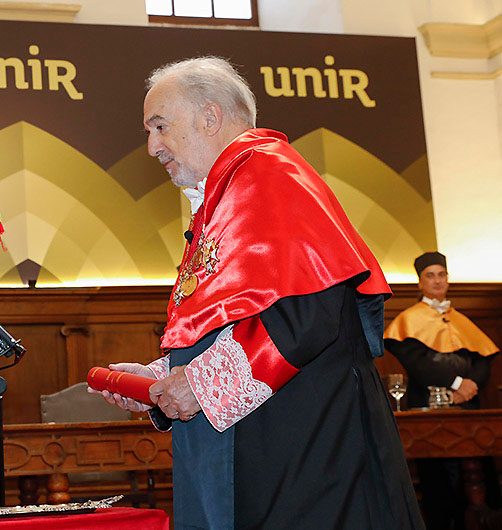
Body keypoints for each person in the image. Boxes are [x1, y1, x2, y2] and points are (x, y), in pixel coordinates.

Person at [93, 57, 423, 529]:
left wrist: (203, 385)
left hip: (307, 445)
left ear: (209, 117)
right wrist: (159, 379)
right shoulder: (226, 193)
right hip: (270, 442)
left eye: (160, 127)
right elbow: (227, 320)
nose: (152, 147)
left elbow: (307, 312)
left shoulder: (268, 173)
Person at [385, 251, 500, 529]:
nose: (437, 281)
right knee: (440, 480)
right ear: (420, 283)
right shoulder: (408, 320)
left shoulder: (460, 318)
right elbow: (418, 363)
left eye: (441, 275)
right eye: (430, 276)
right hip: (428, 407)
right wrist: (459, 383)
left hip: (469, 407)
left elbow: (482, 358)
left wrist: (470, 386)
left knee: (476, 475)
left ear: (448, 280)